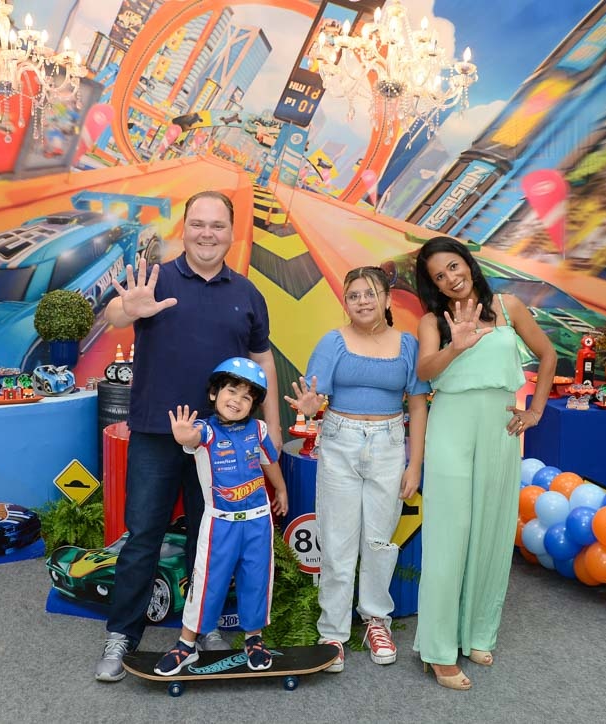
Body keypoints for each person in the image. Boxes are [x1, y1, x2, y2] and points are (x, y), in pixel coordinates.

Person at [94, 190, 282, 682]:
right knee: (143, 535)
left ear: (231, 232)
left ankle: (204, 627)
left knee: (211, 538)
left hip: (223, 443)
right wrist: (128, 308)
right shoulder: (158, 278)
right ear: (185, 228)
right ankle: (122, 634)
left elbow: (263, 361)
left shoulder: (247, 293)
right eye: (198, 223)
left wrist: (274, 428)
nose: (206, 234)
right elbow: (115, 317)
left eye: (217, 225)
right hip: (157, 433)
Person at [413, 236, 556, 691]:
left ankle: (477, 633)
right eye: (439, 276)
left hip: (500, 427)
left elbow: (549, 355)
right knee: (449, 536)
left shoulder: (508, 306)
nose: (450, 279)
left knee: (492, 532)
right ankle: (438, 651)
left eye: (454, 267)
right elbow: (424, 371)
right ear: (434, 285)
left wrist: (535, 411)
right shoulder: (432, 321)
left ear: (468, 264)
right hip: (451, 426)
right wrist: (456, 345)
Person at [284, 266, 429, 673]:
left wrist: (415, 464)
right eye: (353, 295)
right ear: (345, 303)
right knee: (337, 541)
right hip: (340, 442)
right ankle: (332, 631)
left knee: (380, 541)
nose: (362, 301)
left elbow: (418, 404)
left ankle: (375, 621)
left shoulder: (408, 345)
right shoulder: (332, 342)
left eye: (370, 293)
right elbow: (313, 398)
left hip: (389, 445)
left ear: (387, 299)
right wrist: (310, 409)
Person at [155, 357, 289, 675]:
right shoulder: (206, 431)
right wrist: (183, 436)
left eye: (247, 397)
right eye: (231, 391)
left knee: (256, 580)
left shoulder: (259, 429)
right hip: (220, 524)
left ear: (253, 404)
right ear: (214, 393)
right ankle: (187, 644)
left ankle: (254, 639)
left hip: (258, 521)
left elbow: (269, 461)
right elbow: (191, 439)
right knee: (208, 583)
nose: (237, 401)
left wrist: (281, 489)